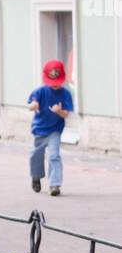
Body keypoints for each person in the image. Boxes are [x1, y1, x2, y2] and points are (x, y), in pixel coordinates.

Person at [27, 59, 74, 196]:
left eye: (57, 82)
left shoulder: (65, 94)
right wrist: (33, 106)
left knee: (54, 155)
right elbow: (30, 104)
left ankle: (54, 185)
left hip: (55, 130)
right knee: (36, 154)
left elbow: (66, 114)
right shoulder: (40, 91)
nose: (54, 85)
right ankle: (36, 177)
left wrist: (58, 111)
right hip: (39, 129)